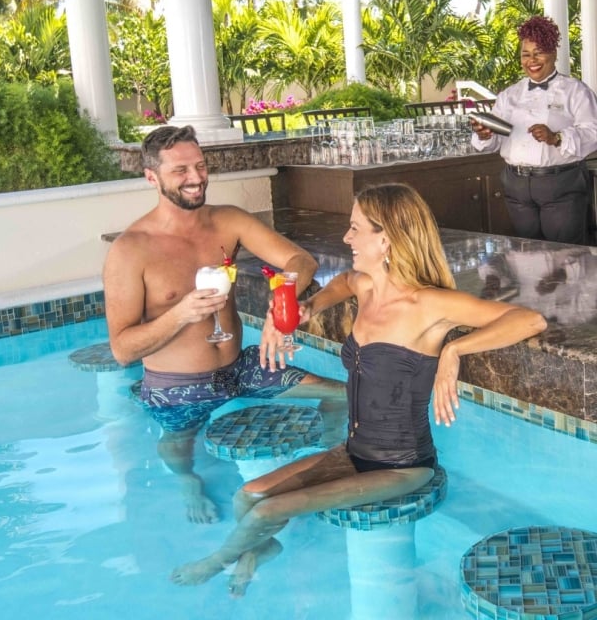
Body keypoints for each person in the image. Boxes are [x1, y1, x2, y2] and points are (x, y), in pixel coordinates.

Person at [170, 183, 546, 592]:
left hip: (402, 464)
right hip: (353, 451)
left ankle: (213, 563)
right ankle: (264, 549)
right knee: (247, 497)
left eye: (355, 228)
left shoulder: (429, 304)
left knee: (266, 511)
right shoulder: (367, 288)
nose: (346, 237)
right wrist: (311, 307)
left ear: (385, 238)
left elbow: (528, 320)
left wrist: (454, 351)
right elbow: (345, 282)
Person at [103, 125, 345, 525]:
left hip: (241, 368)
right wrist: (181, 313)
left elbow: (301, 262)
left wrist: (279, 308)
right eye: (180, 170)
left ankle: (322, 457)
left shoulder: (228, 221)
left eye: (200, 165)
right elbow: (122, 349)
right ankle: (187, 483)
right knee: (178, 448)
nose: (196, 178)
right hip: (177, 386)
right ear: (152, 177)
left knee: (343, 394)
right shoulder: (130, 250)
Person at [470, 15, 597, 245]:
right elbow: (497, 140)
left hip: (560, 185)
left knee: (565, 256)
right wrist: (484, 134)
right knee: (527, 253)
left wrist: (557, 137)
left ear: (554, 54)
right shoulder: (510, 95)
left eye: (539, 52)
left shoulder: (575, 91)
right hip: (516, 185)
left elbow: (593, 132)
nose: (532, 60)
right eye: (525, 54)